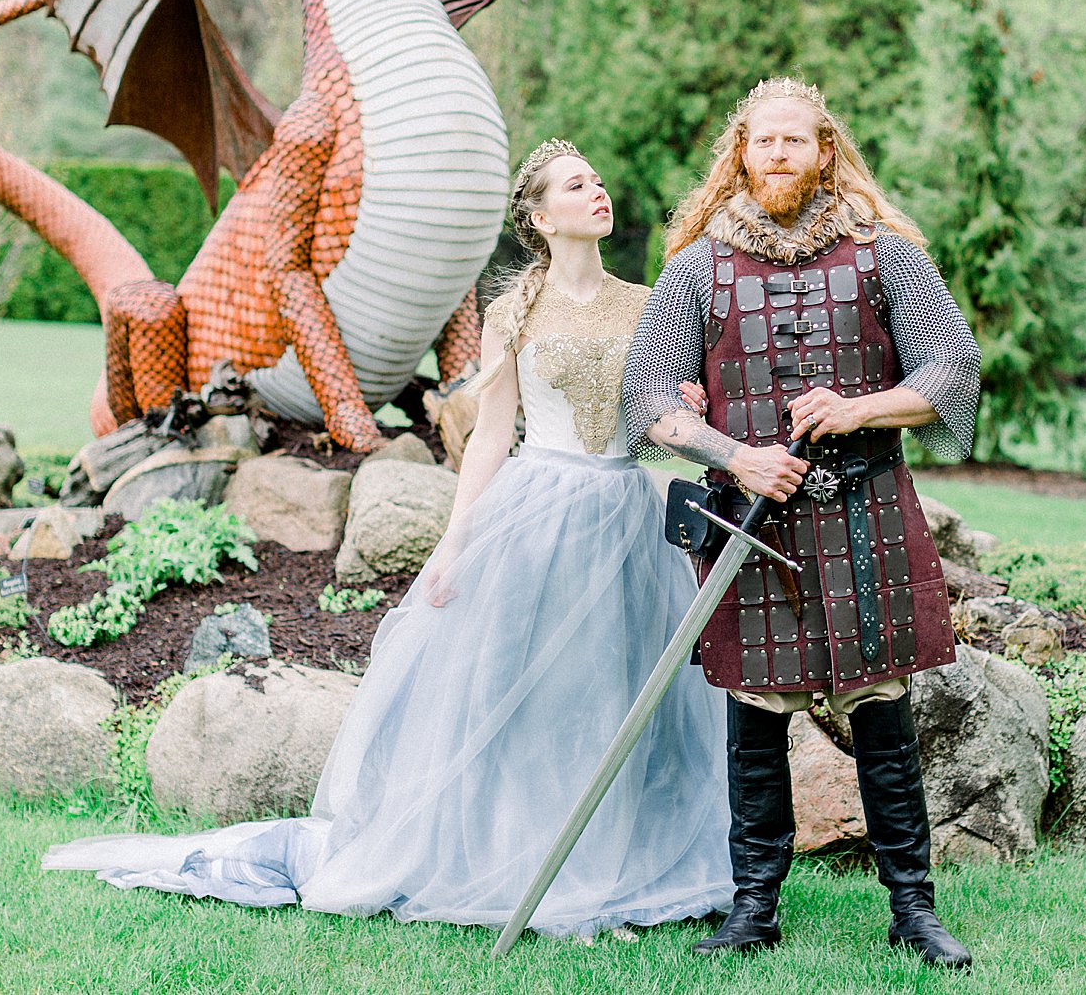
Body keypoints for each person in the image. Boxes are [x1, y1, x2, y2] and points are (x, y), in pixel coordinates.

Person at [45, 140, 733, 939]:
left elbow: (658, 421)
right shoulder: (510, 310)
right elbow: (489, 433)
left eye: (600, 180)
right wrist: (454, 543)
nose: (599, 192)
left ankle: (604, 865)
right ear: (543, 218)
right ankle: (521, 861)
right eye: (578, 185)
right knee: (529, 696)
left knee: (614, 694)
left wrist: (689, 409)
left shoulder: (646, 304)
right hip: (538, 511)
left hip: (624, 511)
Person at [621, 77, 983, 968]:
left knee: (882, 709)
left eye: (796, 141)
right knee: (758, 713)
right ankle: (754, 908)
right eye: (763, 141)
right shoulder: (697, 267)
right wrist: (731, 455)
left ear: (826, 151)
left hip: (865, 507)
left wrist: (860, 410)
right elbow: (644, 395)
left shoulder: (881, 254)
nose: (778, 155)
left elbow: (953, 362)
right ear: (741, 153)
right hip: (755, 522)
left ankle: (913, 910)